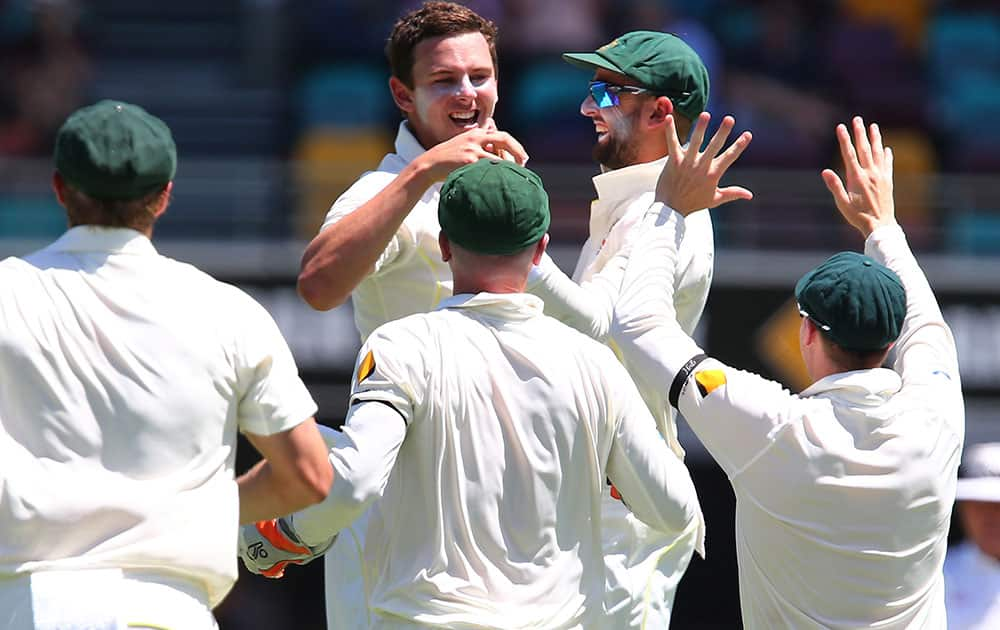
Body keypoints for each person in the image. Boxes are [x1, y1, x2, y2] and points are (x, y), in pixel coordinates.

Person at [246, 158, 702, 628]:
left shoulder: (400, 345)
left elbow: (355, 482)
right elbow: (674, 511)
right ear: (542, 248)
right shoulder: (596, 365)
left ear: (444, 245)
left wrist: (284, 533)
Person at [610, 114, 964, 628]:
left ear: (806, 333)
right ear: (891, 343)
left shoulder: (772, 427)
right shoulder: (937, 414)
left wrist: (671, 208)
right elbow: (927, 323)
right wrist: (882, 224)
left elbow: (639, 324)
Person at [0, 100, 333, 629]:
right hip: (173, 609)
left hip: (34, 606)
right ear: (164, 196)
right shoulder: (227, 310)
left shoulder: (8, 293)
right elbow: (311, 477)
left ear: (60, 188)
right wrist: (190, 508)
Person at [291, 3, 527, 626]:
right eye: (444, 80)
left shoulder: (513, 180)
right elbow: (317, 285)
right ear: (403, 94)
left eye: (480, 76)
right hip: (403, 498)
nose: (468, 94)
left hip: (503, 490)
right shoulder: (382, 188)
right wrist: (424, 171)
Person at [524, 30, 750, 628]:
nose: (585, 106)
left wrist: (510, 238)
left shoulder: (663, 215)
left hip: (624, 506)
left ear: (659, 112)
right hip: (602, 494)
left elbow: (600, 323)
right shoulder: (643, 206)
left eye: (604, 91)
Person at [944, 442, 1000, 629]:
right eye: (978, 505)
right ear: (961, 509)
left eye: (998, 506)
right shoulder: (934, 576)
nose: (991, 517)